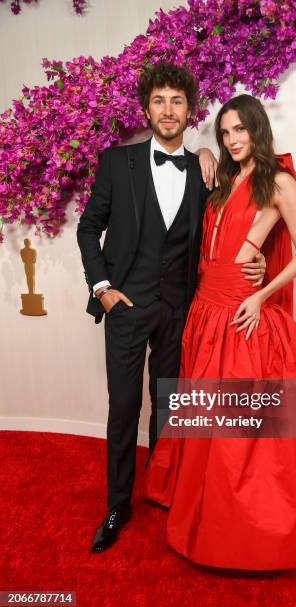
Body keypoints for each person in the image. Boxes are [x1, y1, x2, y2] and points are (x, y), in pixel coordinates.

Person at [143, 94, 296, 571]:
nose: (232, 140)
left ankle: (246, 527)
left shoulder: (280, 180)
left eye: (239, 130)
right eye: (224, 133)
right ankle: (201, 509)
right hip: (205, 310)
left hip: (240, 312)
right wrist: (205, 154)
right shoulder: (225, 176)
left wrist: (262, 294)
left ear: (257, 128)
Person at [76, 63, 266, 553]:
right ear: (146, 108)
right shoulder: (118, 164)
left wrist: (258, 261)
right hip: (125, 306)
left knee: (170, 407)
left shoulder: (207, 171)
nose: (168, 110)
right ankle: (119, 503)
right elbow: (87, 228)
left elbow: (231, 225)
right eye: (159, 101)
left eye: (177, 102)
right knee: (124, 408)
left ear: (189, 110)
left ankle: (161, 492)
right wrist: (102, 287)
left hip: (180, 310)